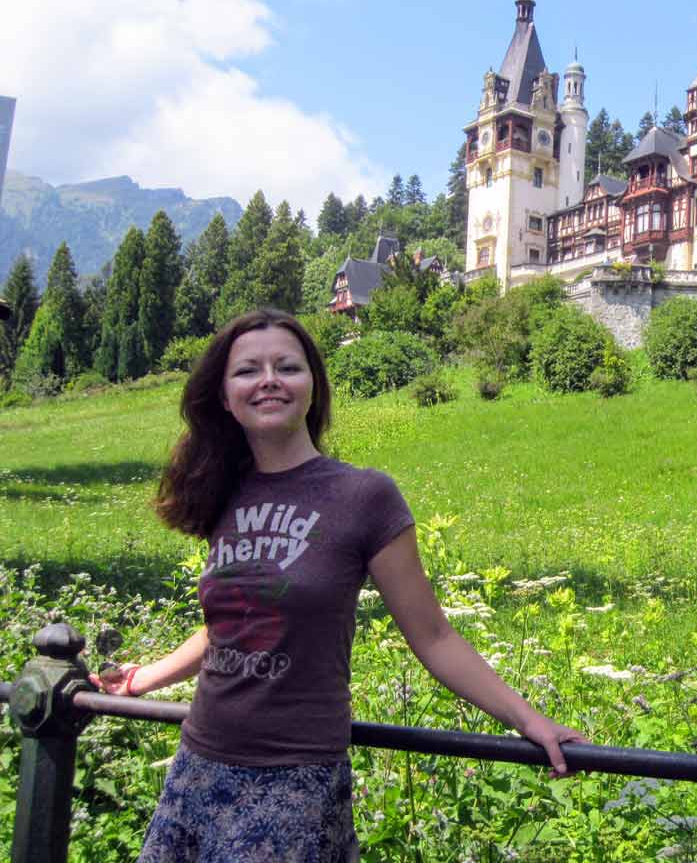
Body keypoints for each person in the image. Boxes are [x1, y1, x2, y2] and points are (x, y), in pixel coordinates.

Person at [91, 308, 584, 862]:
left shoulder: (363, 497)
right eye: (248, 370)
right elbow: (232, 626)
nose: (270, 379)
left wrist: (528, 719)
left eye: (288, 366)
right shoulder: (224, 493)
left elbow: (434, 636)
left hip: (293, 780)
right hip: (198, 763)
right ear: (226, 398)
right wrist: (144, 678)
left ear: (312, 387)